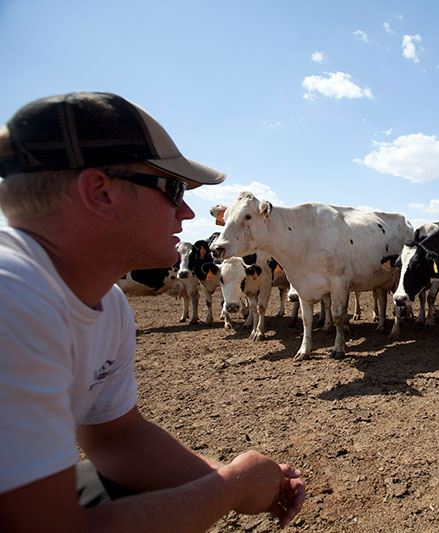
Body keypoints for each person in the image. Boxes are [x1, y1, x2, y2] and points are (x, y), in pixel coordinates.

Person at [0, 92, 305, 531]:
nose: (187, 211)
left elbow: (117, 437)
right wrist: (230, 489)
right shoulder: (13, 302)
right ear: (100, 193)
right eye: (172, 189)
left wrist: (226, 479)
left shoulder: (107, 305)